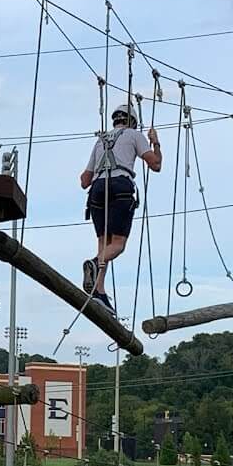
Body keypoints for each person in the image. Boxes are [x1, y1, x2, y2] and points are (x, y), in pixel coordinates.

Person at [80, 103, 162, 313]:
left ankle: (98, 292)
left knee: (103, 243)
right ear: (132, 121)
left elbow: (84, 180)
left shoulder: (101, 140)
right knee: (118, 245)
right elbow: (155, 165)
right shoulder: (134, 135)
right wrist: (155, 143)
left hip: (97, 189)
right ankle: (92, 263)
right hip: (121, 186)